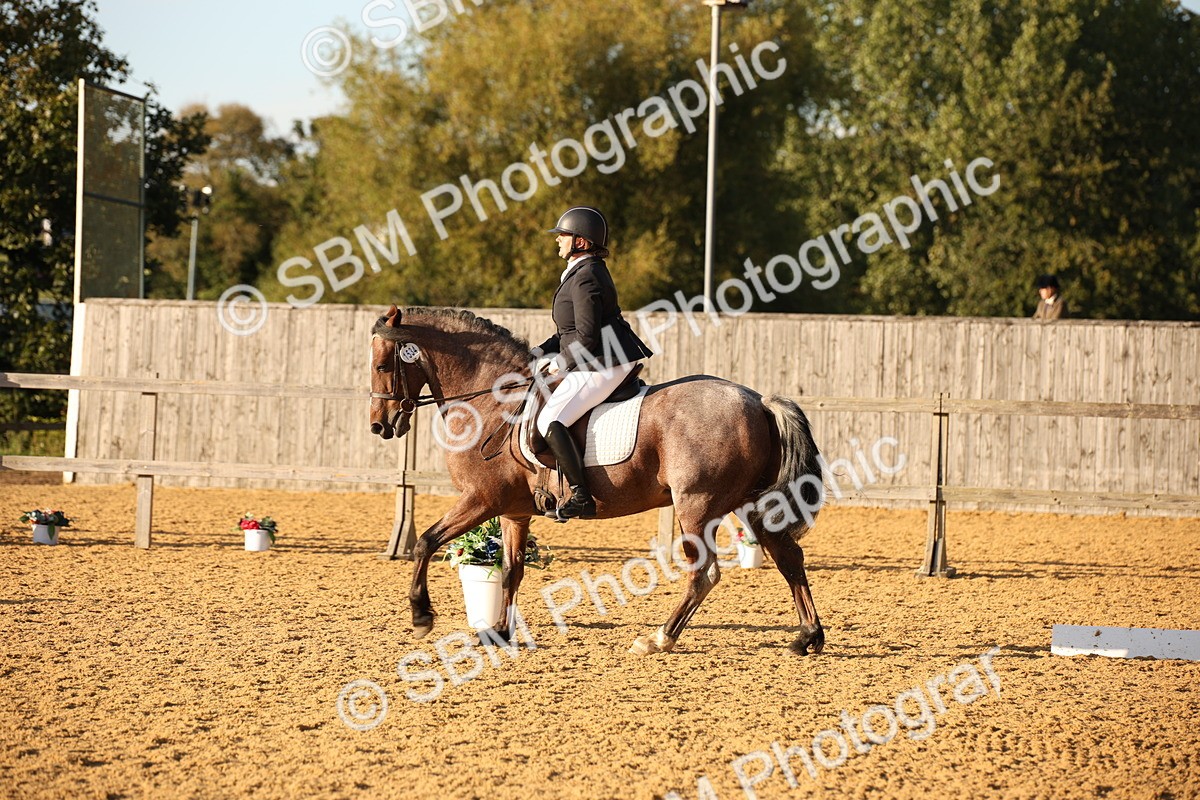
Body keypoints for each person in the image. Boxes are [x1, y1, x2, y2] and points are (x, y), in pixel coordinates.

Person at [530, 206, 654, 521]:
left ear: (581, 242)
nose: (558, 241)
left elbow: (584, 338)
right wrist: (537, 352)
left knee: (550, 421)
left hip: (604, 362)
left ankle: (581, 496)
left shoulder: (587, 277)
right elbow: (567, 333)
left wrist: (558, 365)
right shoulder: (580, 272)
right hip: (592, 358)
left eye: (563, 236)